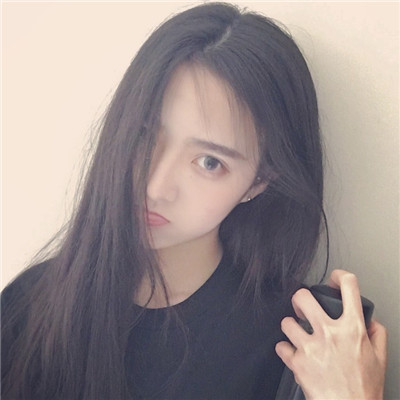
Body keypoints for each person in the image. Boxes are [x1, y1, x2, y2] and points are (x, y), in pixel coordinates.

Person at [1, 2, 387, 399]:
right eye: (143, 136)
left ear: (258, 181)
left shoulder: (301, 351)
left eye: (209, 162)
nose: (155, 186)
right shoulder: (28, 310)